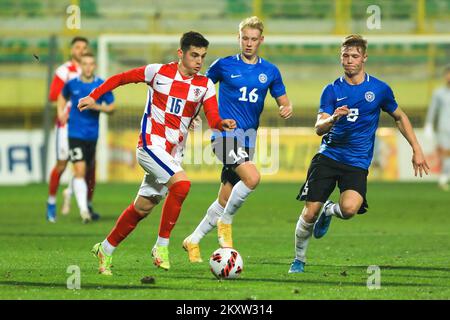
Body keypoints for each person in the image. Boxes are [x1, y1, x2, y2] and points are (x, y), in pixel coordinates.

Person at [77, 31, 236, 275]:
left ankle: (105, 249)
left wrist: (220, 123)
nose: (198, 61)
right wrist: (94, 95)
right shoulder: (157, 72)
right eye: (194, 55)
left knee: (142, 208)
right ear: (180, 53)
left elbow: (212, 115)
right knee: (182, 185)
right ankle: (161, 246)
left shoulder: (204, 85)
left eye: (202, 56)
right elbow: (122, 78)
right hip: (150, 145)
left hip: (172, 154)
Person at [288, 34, 430, 273]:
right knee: (309, 211)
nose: (349, 60)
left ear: (364, 58)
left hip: (357, 163)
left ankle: (329, 210)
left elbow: (400, 117)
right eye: (345, 55)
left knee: (350, 209)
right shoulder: (331, 90)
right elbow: (318, 128)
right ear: (340, 57)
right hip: (329, 157)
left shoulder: (379, 89)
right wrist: (334, 118)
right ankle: (299, 260)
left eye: (354, 56)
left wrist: (416, 149)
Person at [183, 16, 292, 263]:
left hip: (248, 140)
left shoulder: (270, 71)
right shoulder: (223, 65)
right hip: (223, 136)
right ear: (238, 38)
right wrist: (192, 115)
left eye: (254, 39)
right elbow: (198, 89)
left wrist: (286, 107)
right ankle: (226, 222)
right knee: (252, 177)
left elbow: (283, 100)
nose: (249, 43)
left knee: (225, 197)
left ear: (261, 40)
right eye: (245, 38)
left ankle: (193, 239)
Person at [46, 37, 100, 222]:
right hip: (67, 125)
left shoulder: (89, 69)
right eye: (77, 47)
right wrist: (63, 109)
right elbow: (54, 95)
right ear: (71, 51)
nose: (81, 50)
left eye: (84, 47)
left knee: (90, 167)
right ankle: (51, 203)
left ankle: (87, 206)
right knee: (62, 164)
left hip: (87, 126)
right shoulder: (64, 71)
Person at [58, 52, 115, 223]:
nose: (88, 67)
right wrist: (61, 112)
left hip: (92, 136)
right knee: (80, 171)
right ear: (80, 66)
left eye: (91, 64)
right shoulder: (72, 84)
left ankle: (71, 192)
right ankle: (84, 211)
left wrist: (96, 106)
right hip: (74, 134)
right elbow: (62, 96)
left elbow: (112, 107)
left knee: (87, 172)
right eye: (85, 64)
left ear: (95, 66)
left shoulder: (100, 85)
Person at [424, 65, 450, 191]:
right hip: (445, 128)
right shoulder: (439, 93)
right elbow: (432, 110)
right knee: (446, 154)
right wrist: (428, 125)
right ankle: (443, 179)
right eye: (448, 73)